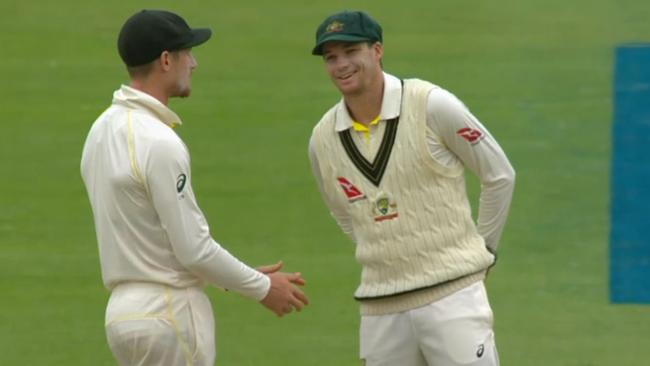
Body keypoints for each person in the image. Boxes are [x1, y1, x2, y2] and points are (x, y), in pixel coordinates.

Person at [80, 9, 308, 366]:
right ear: (166, 60)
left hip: (122, 315)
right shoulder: (160, 142)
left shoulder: (99, 132)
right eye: (188, 52)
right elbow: (193, 250)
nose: (195, 63)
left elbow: (156, 240)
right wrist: (263, 288)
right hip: (169, 312)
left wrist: (236, 277)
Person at [308, 10, 515, 366]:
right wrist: (387, 248)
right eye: (331, 57)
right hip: (380, 308)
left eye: (350, 52)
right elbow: (343, 211)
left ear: (377, 50)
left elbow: (499, 174)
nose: (341, 64)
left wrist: (485, 250)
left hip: (453, 298)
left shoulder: (431, 104)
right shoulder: (322, 138)